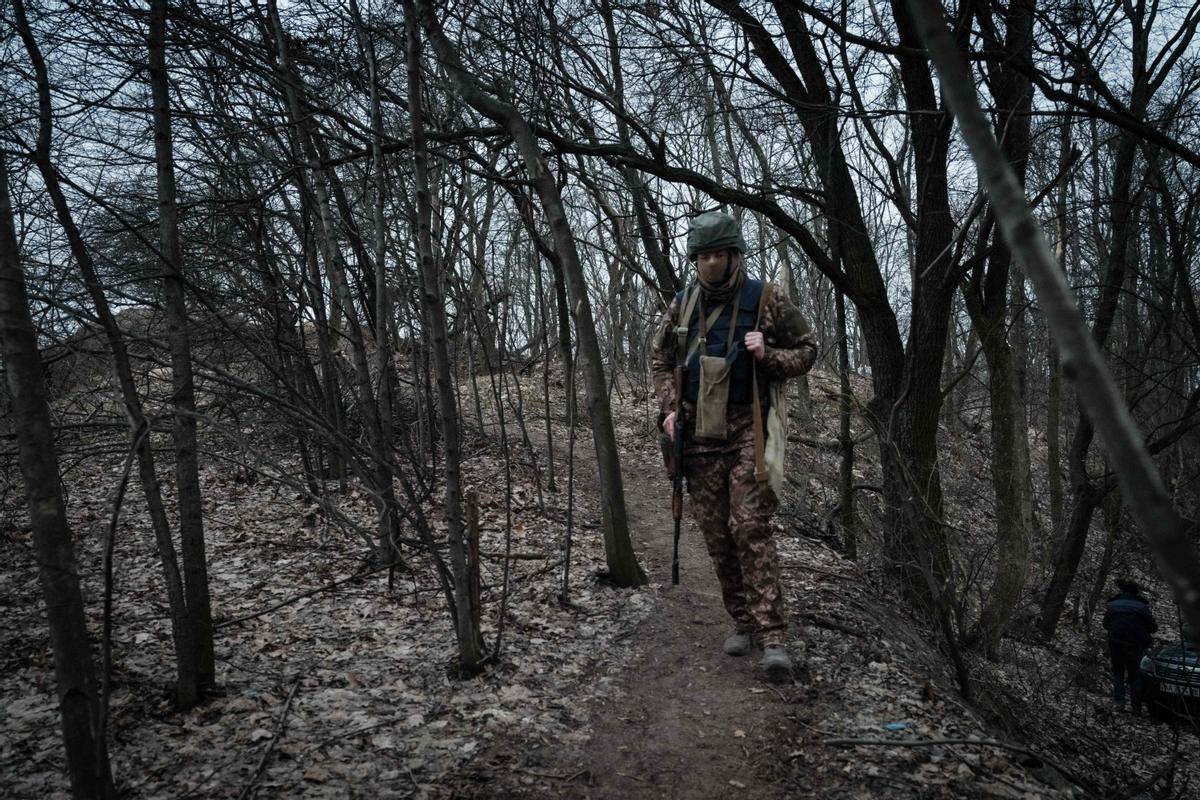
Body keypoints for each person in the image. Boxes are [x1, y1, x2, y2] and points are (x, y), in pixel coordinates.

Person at [651, 210, 817, 682]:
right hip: (698, 433)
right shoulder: (681, 306)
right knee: (717, 536)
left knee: (748, 526)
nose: (709, 263)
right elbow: (659, 360)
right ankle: (741, 620)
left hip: (750, 428)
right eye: (702, 256)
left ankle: (774, 637)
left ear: (734, 254)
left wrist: (768, 354)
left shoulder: (766, 299)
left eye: (717, 254)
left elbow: (808, 351)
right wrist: (667, 408)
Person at [1103, 578, 1157, 713]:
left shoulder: (1113, 605)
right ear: (1136, 593)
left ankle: (1119, 702)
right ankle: (1136, 706)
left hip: (1116, 643)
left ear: (1123, 591)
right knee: (1135, 675)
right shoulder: (1142, 608)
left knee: (1118, 673)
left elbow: (1105, 624)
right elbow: (1153, 628)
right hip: (1136, 645)